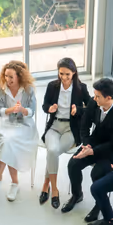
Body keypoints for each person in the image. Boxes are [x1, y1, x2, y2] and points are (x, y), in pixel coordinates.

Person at [61, 78, 113, 214]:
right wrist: (86, 146)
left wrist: (92, 152)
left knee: (97, 173)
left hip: (111, 151)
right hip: (93, 143)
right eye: (94, 95)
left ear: (108, 97)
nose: (94, 98)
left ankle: (99, 204)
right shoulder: (94, 102)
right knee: (73, 164)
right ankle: (77, 194)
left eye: (98, 96)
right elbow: (84, 126)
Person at [39, 58, 91, 209]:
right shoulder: (52, 86)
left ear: (74, 72)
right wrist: (50, 109)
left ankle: (45, 185)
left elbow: (90, 108)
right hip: (54, 126)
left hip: (71, 128)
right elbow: (44, 105)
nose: (64, 77)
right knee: (52, 150)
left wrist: (78, 110)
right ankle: (54, 190)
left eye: (67, 74)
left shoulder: (81, 88)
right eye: (61, 73)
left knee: (52, 152)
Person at [0, 61, 39, 201]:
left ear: (19, 77)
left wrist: (22, 110)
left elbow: (32, 111)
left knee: (9, 141)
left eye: (11, 77)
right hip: (5, 123)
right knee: (6, 141)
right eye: (6, 76)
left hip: (24, 125)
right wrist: (11, 110)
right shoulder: (2, 88)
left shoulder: (28, 89)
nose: (8, 80)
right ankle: (14, 182)